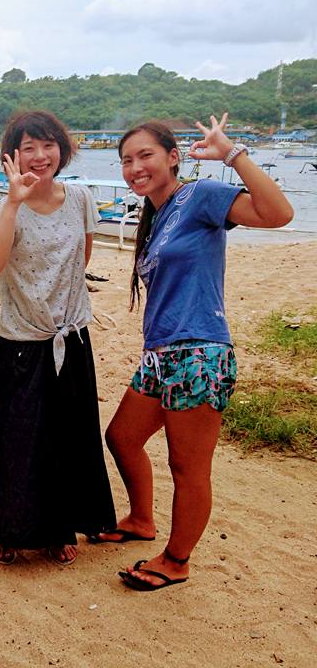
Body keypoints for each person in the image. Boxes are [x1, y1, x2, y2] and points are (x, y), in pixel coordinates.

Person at [103, 114, 293, 590]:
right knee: (122, 437)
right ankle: (141, 520)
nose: (135, 167)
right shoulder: (156, 216)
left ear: (172, 157)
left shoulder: (201, 195)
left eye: (145, 155)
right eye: (126, 160)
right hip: (159, 354)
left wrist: (233, 154)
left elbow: (278, 214)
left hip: (200, 352)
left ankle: (176, 560)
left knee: (187, 467)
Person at [0, 111, 116, 567]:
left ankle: (59, 529)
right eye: (28, 147)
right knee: (16, 441)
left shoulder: (81, 198)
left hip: (71, 340)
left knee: (67, 439)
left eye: (48, 145)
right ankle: (9, 530)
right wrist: (13, 203)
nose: (39, 155)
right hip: (20, 342)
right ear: (11, 156)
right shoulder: (1, 208)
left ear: (62, 149)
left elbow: (80, 259)